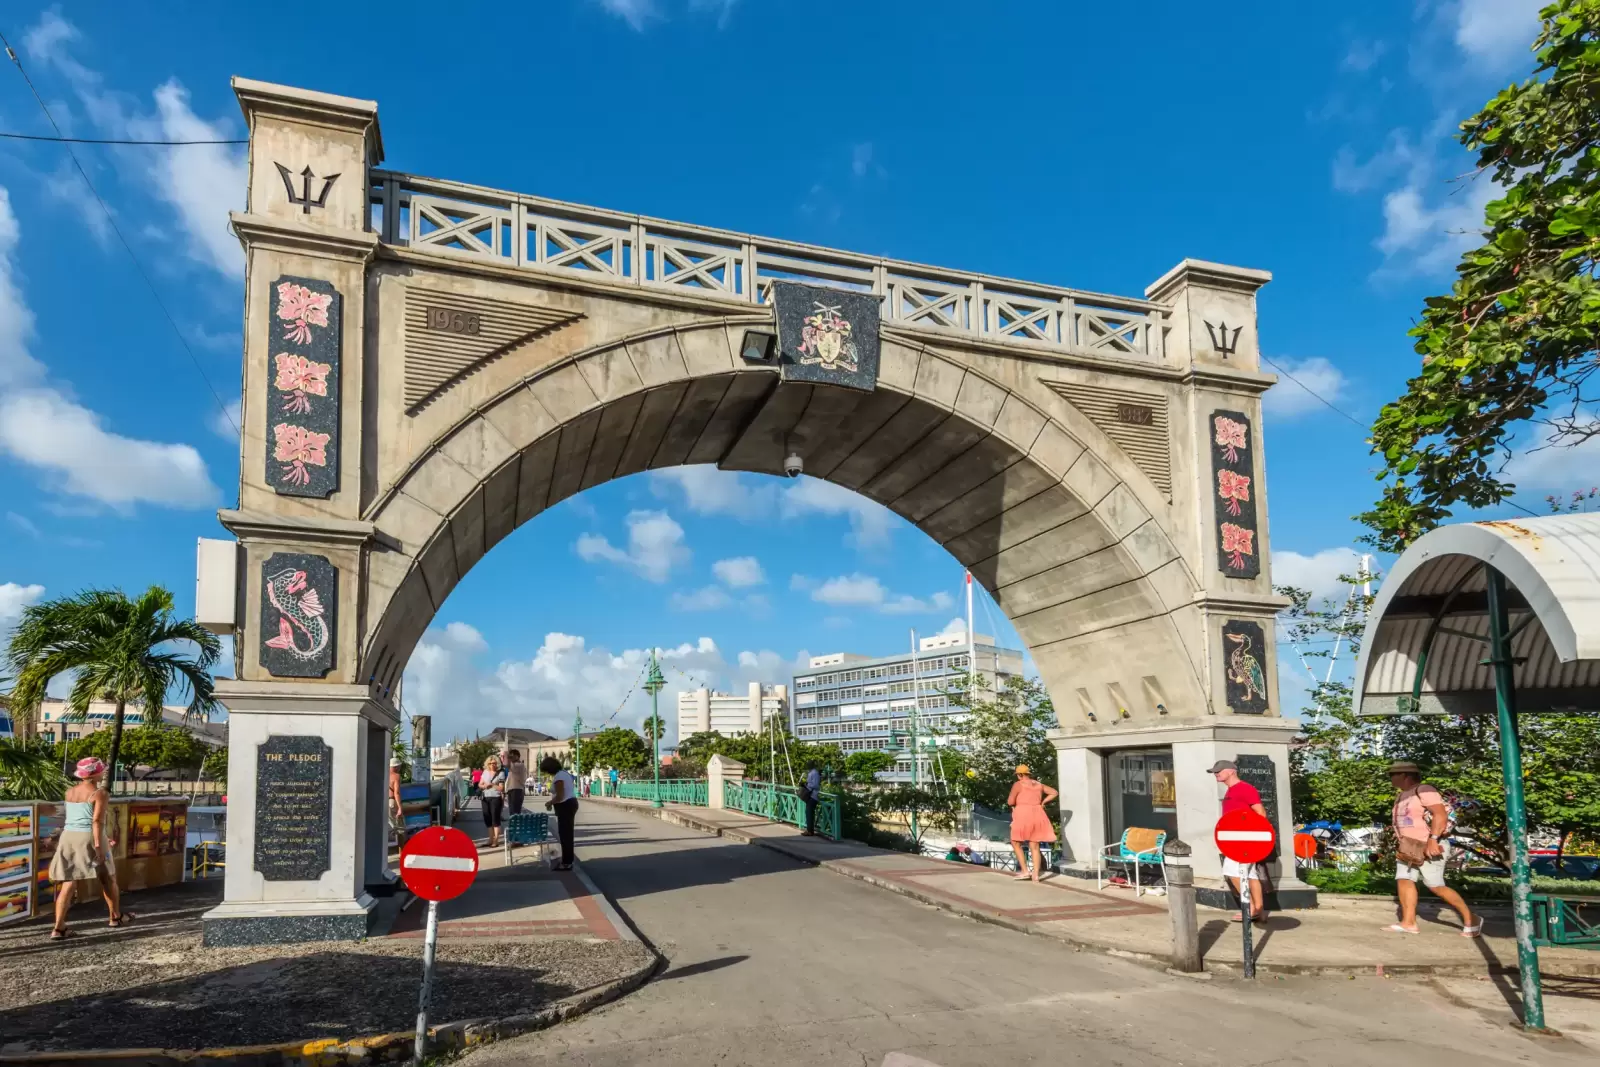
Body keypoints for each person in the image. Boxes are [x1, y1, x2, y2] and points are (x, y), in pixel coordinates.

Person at [1385, 761, 1480, 937]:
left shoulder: (1424, 790)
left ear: (1405, 775)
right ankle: (1408, 923)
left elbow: (1440, 814)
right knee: (1404, 880)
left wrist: (1433, 839)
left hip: (1429, 844)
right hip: (1409, 845)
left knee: (1435, 885)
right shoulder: (1402, 795)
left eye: (1393, 775)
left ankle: (1471, 918)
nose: (1390, 778)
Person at [49, 757, 130, 938]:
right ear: (96, 773)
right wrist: (100, 845)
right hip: (89, 837)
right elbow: (96, 821)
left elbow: (77, 817)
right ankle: (115, 917)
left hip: (69, 837)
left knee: (68, 883)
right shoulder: (100, 793)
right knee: (108, 878)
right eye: (101, 770)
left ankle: (58, 928)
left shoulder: (69, 792)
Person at [1209, 760, 1267, 923]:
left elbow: (1260, 812)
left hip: (1243, 840)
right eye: (1214, 771)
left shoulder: (1245, 789)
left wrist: (1254, 836)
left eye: (1219, 771)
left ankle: (1249, 907)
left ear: (1231, 771)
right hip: (1236, 839)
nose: (1216, 774)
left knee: (1231, 870)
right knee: (1250, 873)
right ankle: (1258, 909)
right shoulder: (1231, 790)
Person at [1006, 764, 1059, 882]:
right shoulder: (1038, 784)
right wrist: (1043, 801)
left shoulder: (1018, 785)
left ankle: (1025, 871)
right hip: (1038, 813)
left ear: (1020, 775)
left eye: (1018, 775)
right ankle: (1035, 874)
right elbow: (1054, 792)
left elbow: (1010, 802)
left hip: (1023, 813)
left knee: (1015, 842)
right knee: (1034, 845)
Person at [543, 756, 579, 870]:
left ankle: (567, 863)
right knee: (567, 834)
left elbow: (560, 796)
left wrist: (550, 803)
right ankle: (567, 860)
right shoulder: (564, 773)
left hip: (565, 805)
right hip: (569, 804)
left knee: (565, 835)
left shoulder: (559, 777)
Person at [479, 755, 507, 848]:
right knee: (487, 819)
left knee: (495, 819)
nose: (492, 765)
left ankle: (496, 840)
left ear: (497, 764)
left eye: (494, 763)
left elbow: (501, 788)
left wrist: (492, 785)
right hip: (485, 797)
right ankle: (490, 839)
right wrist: (484, 786)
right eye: (490, 763)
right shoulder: (485, 772)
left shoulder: (501, 773)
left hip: (495, 797)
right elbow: (480, 784)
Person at [799, 762, 823, 836]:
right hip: (810, 795)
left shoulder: (814, 773)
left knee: (809, 813)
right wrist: (805, 784)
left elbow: (815, 785)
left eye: (808, 764)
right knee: (808, 813)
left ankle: (810, 831)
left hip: (813, 795)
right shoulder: (811, 772)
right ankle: (809, 829)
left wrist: (806, 785)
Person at [504, 749, 527, 818]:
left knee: (515, 811)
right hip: (512, 789)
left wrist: (506, 755)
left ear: (517, 756)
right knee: (512, 810)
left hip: (517, 790)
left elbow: (506, 764)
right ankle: (513, 825)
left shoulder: (519, 765)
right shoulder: (514, 765)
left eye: (512, 756)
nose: (511, 758)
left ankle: (516, 825)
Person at [388, 757, 405, 844]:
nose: (399, 768)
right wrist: (400, 808)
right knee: (400, 828)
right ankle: (402, 851)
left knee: (389, 826)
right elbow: (397, 793)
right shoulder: (396, 776)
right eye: (399, 766)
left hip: (384, 802)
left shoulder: (385, 774)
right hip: (392, 801)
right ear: (396, 767)